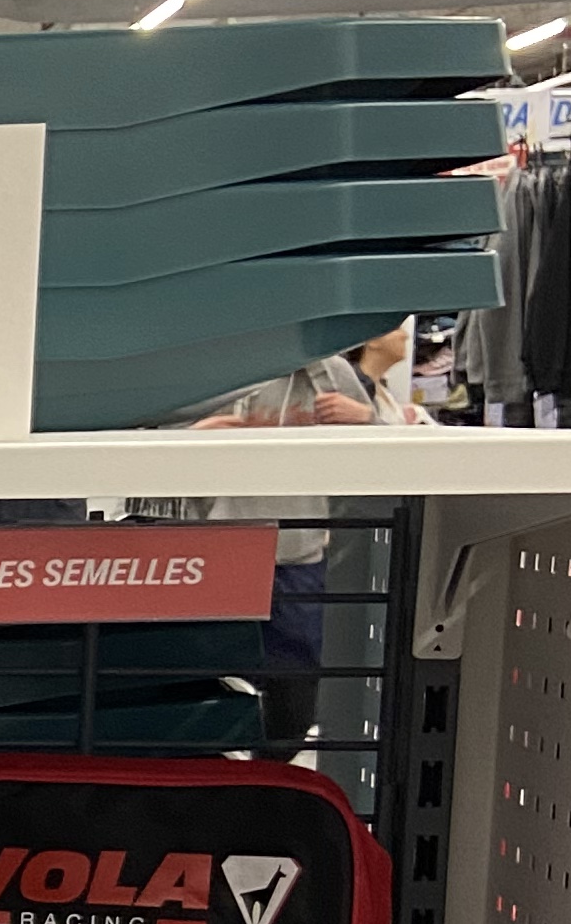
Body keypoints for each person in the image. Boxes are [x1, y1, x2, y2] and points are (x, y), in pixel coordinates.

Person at [177, 322, 431, 756]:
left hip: (296, 556)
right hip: (212, 557)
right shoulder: (204, 369)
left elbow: (381, 469)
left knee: (295, 699)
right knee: (197, 689)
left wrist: (365, 421)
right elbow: (138, 450)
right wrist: (193, 439)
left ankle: (267, 781)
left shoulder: (330, 372)